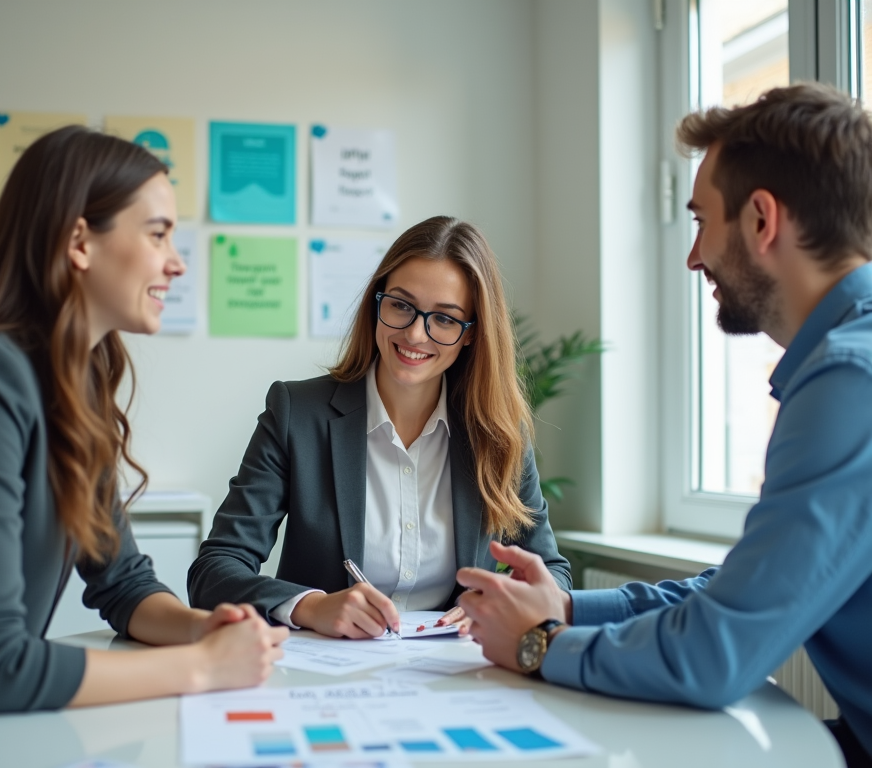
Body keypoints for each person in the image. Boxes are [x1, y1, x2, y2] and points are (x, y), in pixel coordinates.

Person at [455, 83, 872, 768]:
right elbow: (747, 585)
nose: (693, 255)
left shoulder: (850, 382)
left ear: (763, 220)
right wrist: (564, 605)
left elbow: (717, 655)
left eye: (701, 221)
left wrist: (539, 645)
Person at [0, 126, 287, 713]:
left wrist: (198, 629)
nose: (177, 263)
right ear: (80, 241)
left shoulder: (72, 385)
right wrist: (203, 668)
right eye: (158, 234)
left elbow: (125, 585)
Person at [189, 216, 571, 638]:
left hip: (454, 670)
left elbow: (551, 572)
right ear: (378, 302)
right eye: (401, 305)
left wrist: (501, 601)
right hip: (322, 671)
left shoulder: (498, 433)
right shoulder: (297, 413)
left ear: (470, 335)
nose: (414, 333)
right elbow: (214, 571)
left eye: (444, 319)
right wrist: (311, 606)